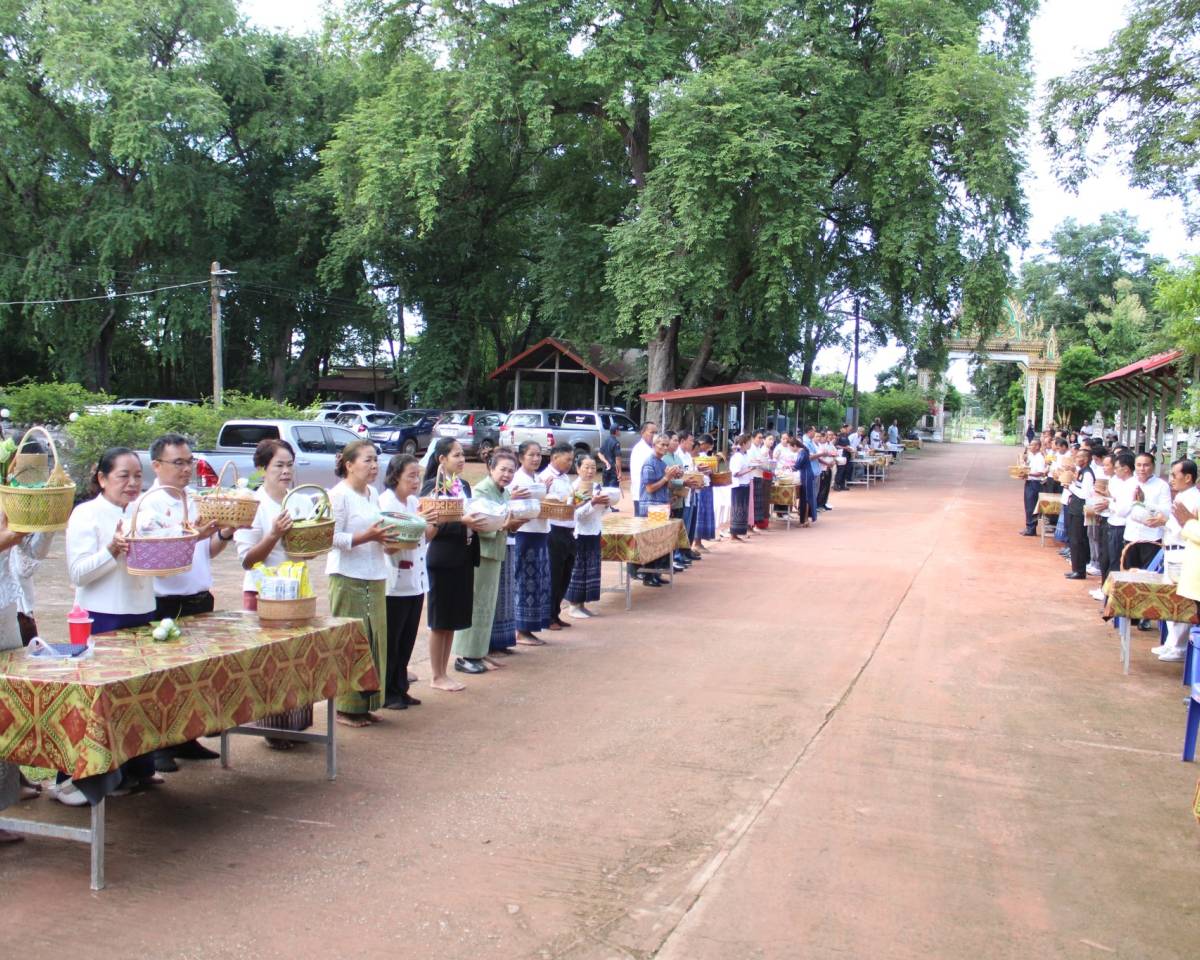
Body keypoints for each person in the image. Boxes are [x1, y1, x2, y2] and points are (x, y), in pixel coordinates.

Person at [58, 448, 161, 805]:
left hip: (142, 611)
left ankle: (137, 768)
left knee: (139, 697)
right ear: (102, 479)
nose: (133, 484)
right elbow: (78, 573)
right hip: (102, 615)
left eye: (137, 476)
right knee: (99, 704)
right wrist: (112, 549)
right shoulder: (85, 514)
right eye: (123, 476)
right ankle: (80, 779)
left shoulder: (143, 511)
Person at [147, 433, 237, 766]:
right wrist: (193, 535)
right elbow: (159, 557)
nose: (187, 469)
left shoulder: (195, 498)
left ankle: (187, 737)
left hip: (199, 596)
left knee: (195, 676)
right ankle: (159, 745)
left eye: (190, 461)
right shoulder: (150, 505)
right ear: (157, 466)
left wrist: (224, 534)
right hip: (168, 600)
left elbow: (206, 552)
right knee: (165, 678)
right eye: (178, 463)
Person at [235, 438, 312, 746]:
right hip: (263, 594)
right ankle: (272, 728)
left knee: (298, 661)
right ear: (262, 469)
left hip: (297, 592)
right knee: (269, 665)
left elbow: (309, 550)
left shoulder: (300, 501)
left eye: (290, 465)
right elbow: (247, 559)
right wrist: (274, 535)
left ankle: (294, 723)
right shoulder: (253, 505)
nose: (285, 471)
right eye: (278, 465)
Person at [0, 495, 54, 836]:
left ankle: (1, 809)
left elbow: (29, 559)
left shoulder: (8, 492)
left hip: (4, 609)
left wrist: (46, 525)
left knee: (7, 710)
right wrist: (11, 536)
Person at [327, 439, 391, 725]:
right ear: (349, 464)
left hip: (375, 574)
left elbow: (379, 528)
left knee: (374, 639)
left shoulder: (372, 493)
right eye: (367, 460)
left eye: (375, 459)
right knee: (351, 642)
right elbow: (331, 538)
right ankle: (345, 708)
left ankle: (366, 704)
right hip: (348, 576)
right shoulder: (338, 495)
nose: (373, 465)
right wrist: (368, 537)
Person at [422, 438, 485, 687]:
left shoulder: (464, 485)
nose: (461, 459)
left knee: (452, 620)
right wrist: (464, 521)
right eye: (456, 455)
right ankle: (436, 675)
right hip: (443, 556)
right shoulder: (433, 487)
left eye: (462, 455)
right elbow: (431, 521)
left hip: (464, 555)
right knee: (440, 620)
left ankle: (443, 672)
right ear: (442, 459)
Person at [452, 449, 519, 673]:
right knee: (476, 605)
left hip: (495, 551)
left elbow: (505, 519)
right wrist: (504, 525)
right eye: (503, 469)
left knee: (488, 606)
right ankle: (465, 655)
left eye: (511, 470)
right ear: (491, 469)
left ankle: (479, 652)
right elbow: (481, 522)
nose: (507, 474)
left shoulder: (503, 492)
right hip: (480, 552)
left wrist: (512, 524)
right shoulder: (481, 490)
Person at [379, 454, 435, 708]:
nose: (416, 481)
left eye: (418, 476)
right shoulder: (385, 502)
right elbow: (389, 543)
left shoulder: (414, 502)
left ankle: (401, 686)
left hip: (416, 578)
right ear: (395, 476)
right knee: (391, 640)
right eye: (411, 476)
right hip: (393, 580)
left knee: (407, 638)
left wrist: (434, 519)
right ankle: (387, 691)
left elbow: (426, 537)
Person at [1155, 459, 1200, 661]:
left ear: (1188, 477)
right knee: (1171, 598)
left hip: (1183, 551)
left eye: (1175, 475)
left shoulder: (1194, 498)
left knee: (1180, 601)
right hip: (1171, 549)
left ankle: (1179, 647)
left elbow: (1186, 530)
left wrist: (1168, 523)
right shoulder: (1182, 496)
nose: (1171, 479)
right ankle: (1171, 643)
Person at [511, 441, 552, 644]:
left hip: (540, 532)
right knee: (524, 580)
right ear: (521, 458)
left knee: (538, 581)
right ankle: (521, 628)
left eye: (538, 455)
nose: (536, 459)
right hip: (525, 533)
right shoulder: (517, 479)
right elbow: (515, 506)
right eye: (531, 455)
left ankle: (530, 627)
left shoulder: (537, 478)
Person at [540, 441, 578, 629]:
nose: (570, 463)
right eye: (567, 459)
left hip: (568, 529)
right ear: (555, 457)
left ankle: (555, 612)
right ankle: (548, 616)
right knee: (554, 575)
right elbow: (544, 504)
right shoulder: (545, 478)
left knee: (565, 574)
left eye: (571, 459)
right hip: (553, 530)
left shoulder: (564, 478)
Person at [565, 452, 608, 618]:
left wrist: (605, 504)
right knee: (578, 569)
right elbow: (574, 514)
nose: (590, 471)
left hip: (594, 531)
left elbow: (600, 512)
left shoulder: (597, 487)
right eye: (586, 467)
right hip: (579, 533)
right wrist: (592, 503)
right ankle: (573, 605)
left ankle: (582, 604)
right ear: (578, 469)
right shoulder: (574, 488)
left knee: (590, 570)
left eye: (593, 468)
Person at [638, 433, 682, 580]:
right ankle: (648, 576)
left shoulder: (662, 463)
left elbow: (666, 485)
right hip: (651, 507)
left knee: (660, 543)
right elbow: (649, 488)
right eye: (661, 444)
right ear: (654, 445)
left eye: (666, 444)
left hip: (661, 506)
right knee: (651, 542)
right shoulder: (649, 463)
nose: (664, 447)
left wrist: (674, 475)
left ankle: (655, 573)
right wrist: (666, 478)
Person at [627, 421, 658, 582]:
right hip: (642, 497)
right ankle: (634, 568)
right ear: (643, 432)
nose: (654, 435)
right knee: (640, 534)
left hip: (650, 497)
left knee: (649, 534)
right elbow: (644, 478)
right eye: (651, 432)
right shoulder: (641, 451)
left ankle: (647, 569)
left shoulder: (650, 450)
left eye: (655, 432)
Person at [1064, 446, 1094, 580]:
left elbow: (1084, 494)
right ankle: (1076, 568)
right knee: (1073, 539)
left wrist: (1069, 486)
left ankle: (1080, 570)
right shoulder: (1081, 472)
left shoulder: (1087, 473)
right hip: (1074, 507)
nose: (1076, 459)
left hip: (1080, 509)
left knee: (1078, 540)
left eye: (1079, 457)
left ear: (1086, 459)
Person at [690, 433, 717, 551]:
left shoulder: (704, 455)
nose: (708, 449)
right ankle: (696, 541)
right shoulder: (694, 455)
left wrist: (709, 469)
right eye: (708, 446)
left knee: (704, 513)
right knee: (699, 514)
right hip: (698, 487)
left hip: (706, 484)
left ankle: (699, 541)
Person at [1020, 438, 1047, 536]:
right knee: (1028, 505)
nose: (1030, 447)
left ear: (1037, 447)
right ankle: (1029, 526)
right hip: (1030, 481)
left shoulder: (1040, 458)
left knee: (1031, 506)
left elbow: (1040, 473)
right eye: (1030, 445)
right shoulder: (1033, 456)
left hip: (1034, 483)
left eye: (1032, 445)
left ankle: (1031, 528)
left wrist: (1028, 474)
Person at [728, 434, 752, 542]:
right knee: (737, 509)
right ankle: (733, 533)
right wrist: (749, 470)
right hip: (738, 486)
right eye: (748, 442)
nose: (750, 444)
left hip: (745, 484)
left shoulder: (745, 455)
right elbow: (735, 473)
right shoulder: (737, 457)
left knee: (743, 509)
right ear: (743, 444)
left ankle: (738, 533)